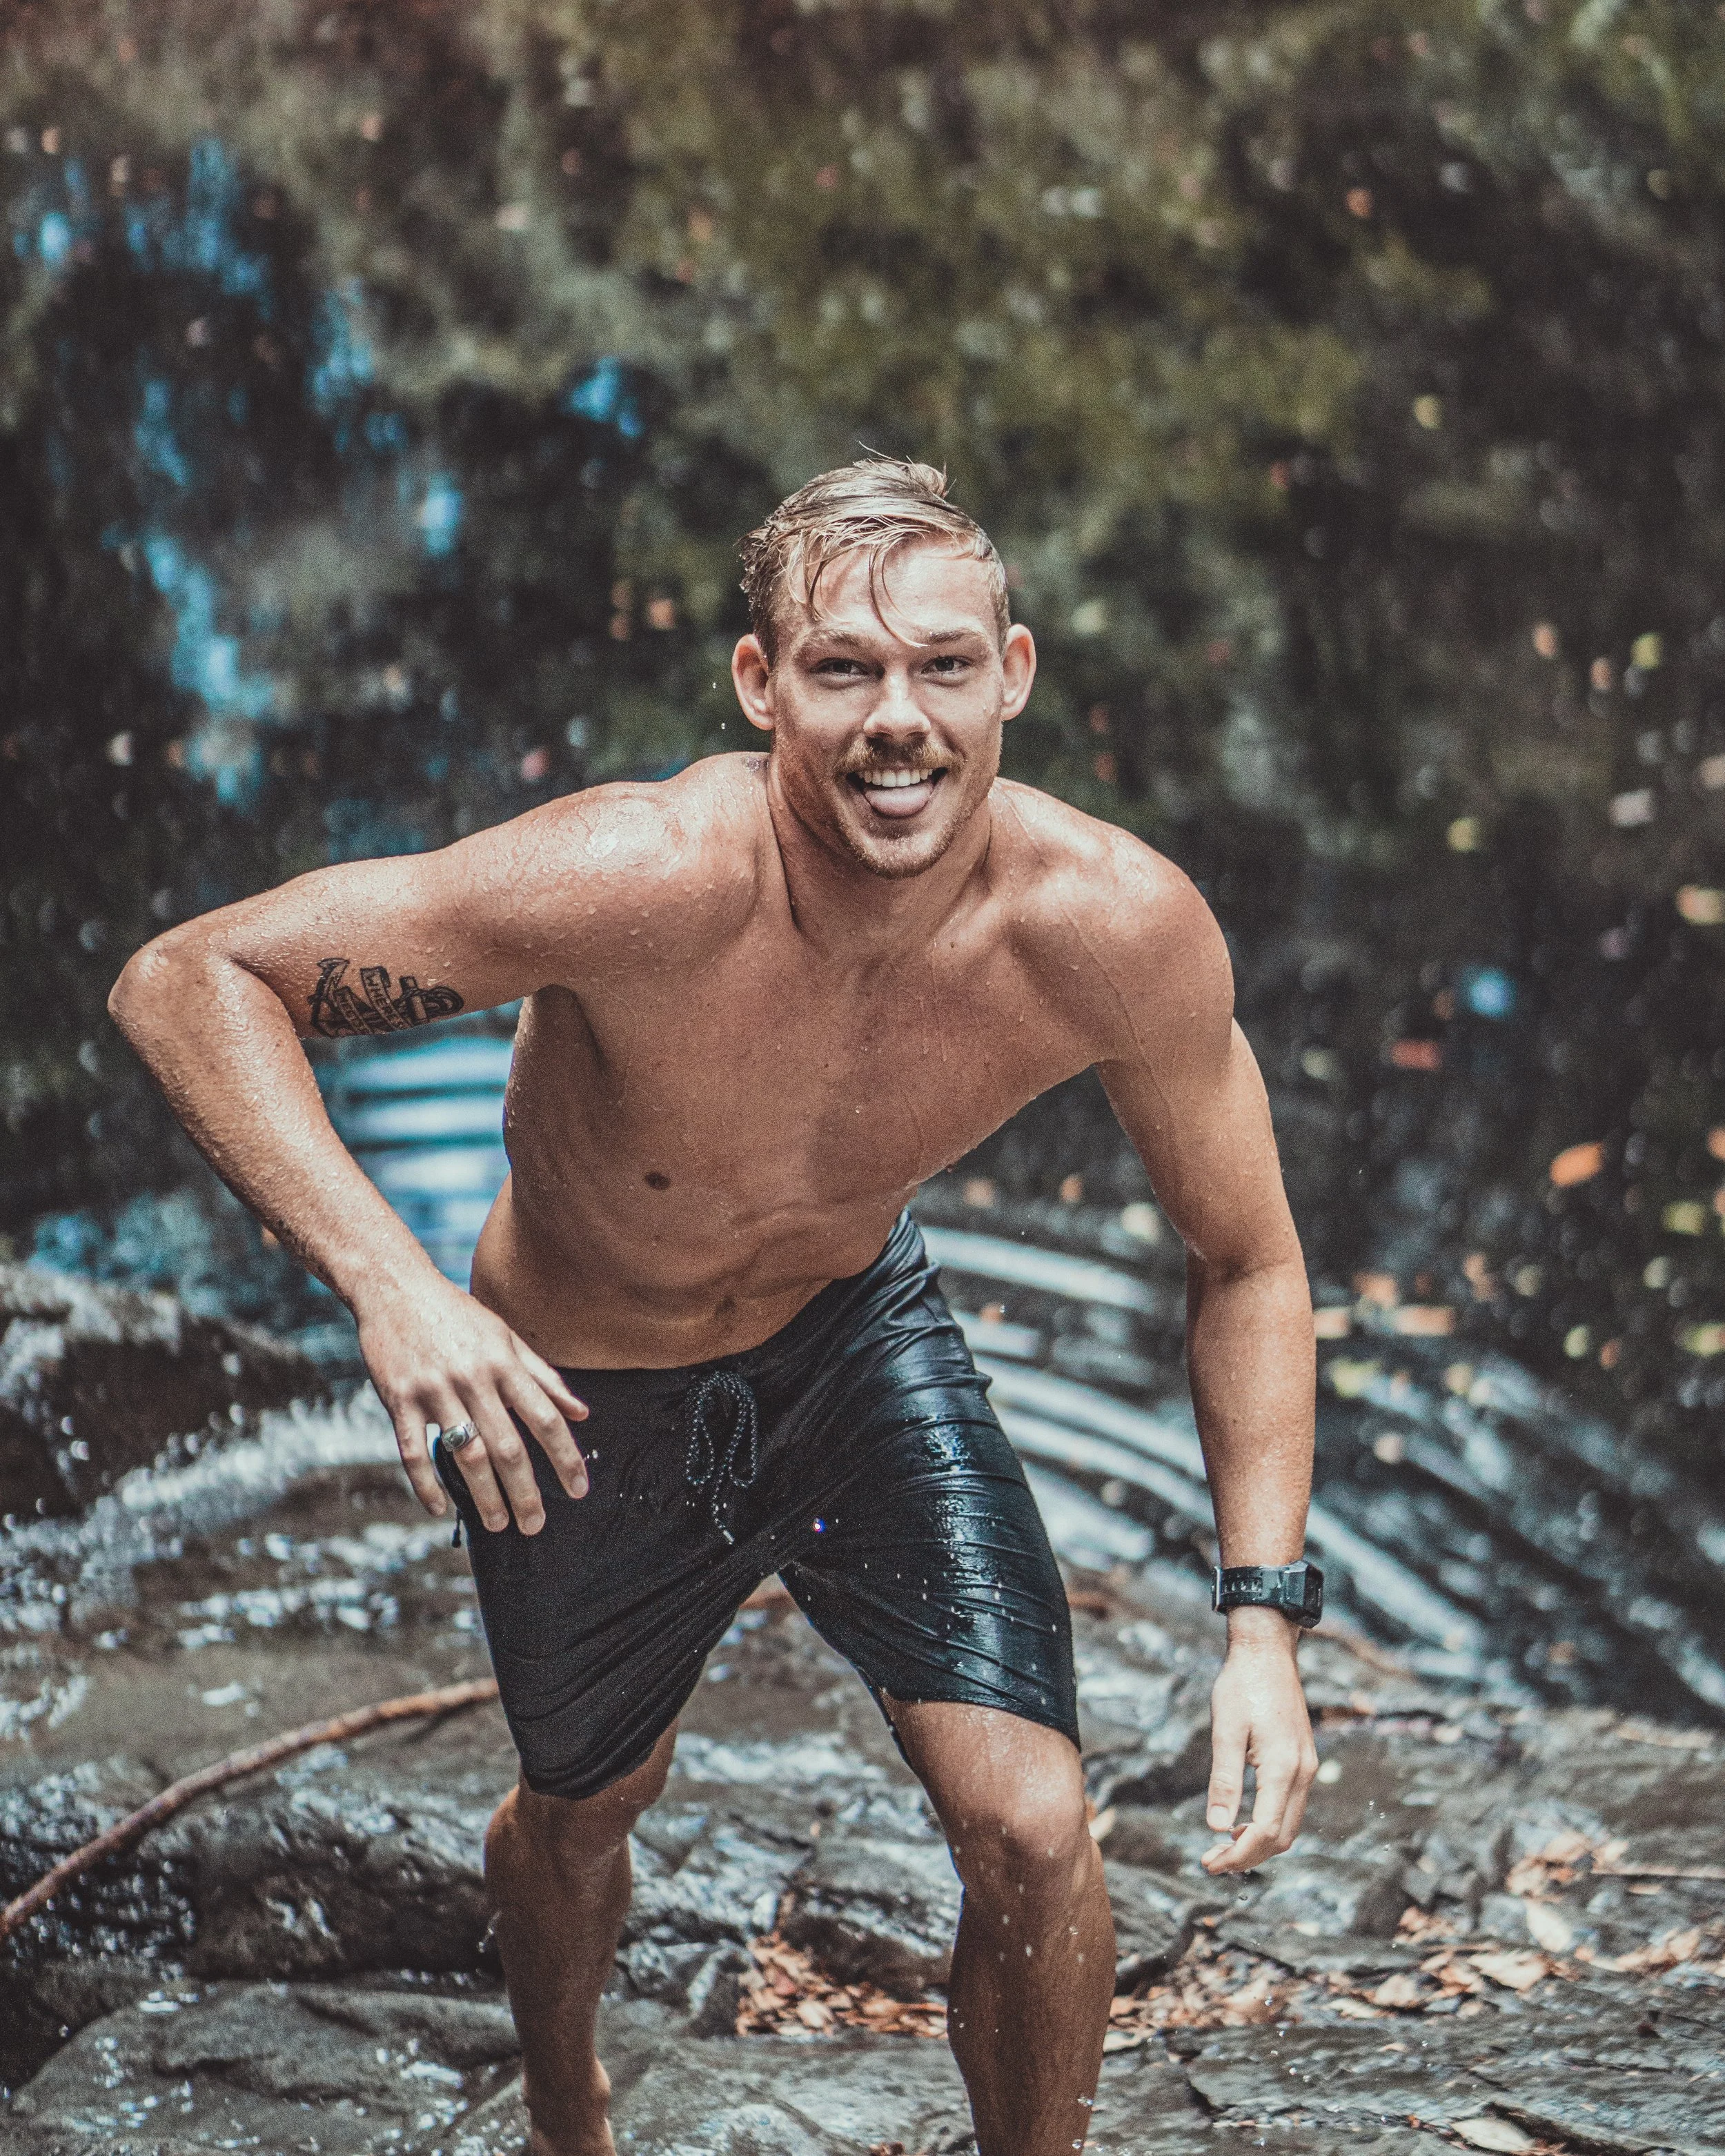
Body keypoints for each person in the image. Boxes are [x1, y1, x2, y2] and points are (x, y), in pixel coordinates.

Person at [110, 457, 1319, 2156]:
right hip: (584, 1389)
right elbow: (187, 978)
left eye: (943, 667)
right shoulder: (638, 873)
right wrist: (397, 1286)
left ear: (1015, 674)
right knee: (589, 1805)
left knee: (1035, 1826)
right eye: (843, 669)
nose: (898, 721)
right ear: (761, 687)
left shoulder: (1108, 931)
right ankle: (563, 2114)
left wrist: (1262, 1617)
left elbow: (1247, 1257)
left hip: (852, 1343)